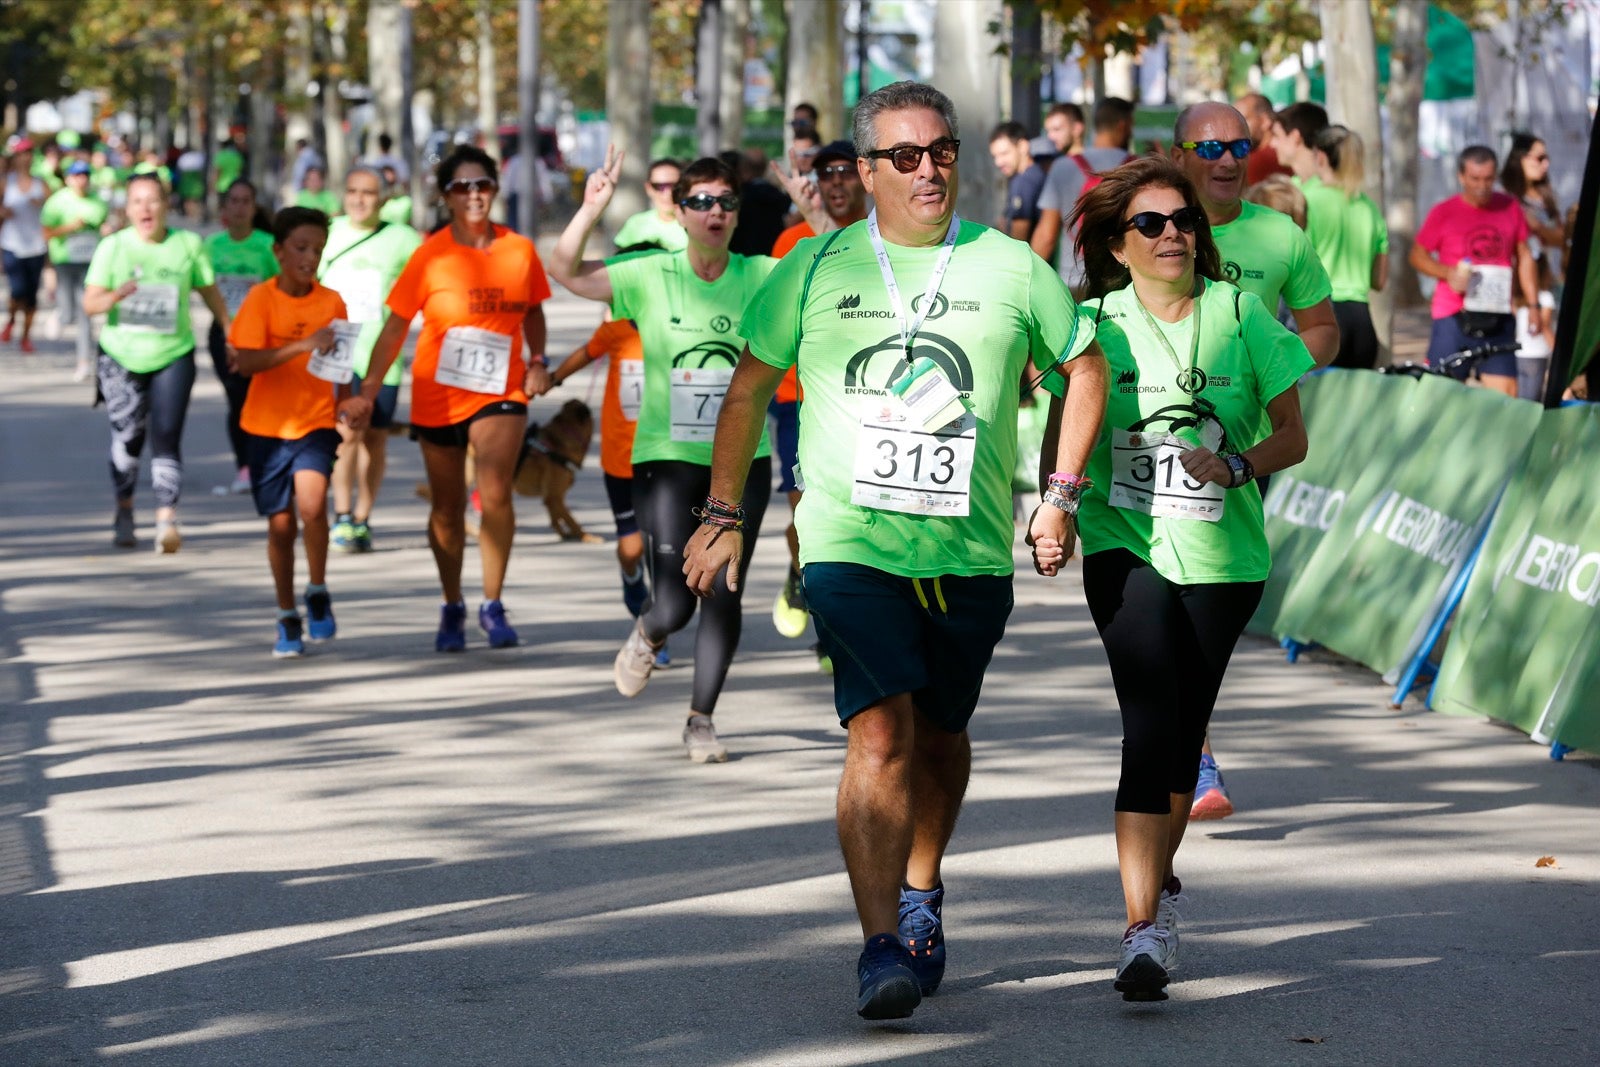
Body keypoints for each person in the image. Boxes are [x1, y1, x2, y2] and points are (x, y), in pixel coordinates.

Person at [681, 81, 1108, 1020]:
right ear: (865, 172)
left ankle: (922, 887)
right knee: (880, 731)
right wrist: (723, 510)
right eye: (905, 157)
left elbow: (1085, 364)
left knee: (943, 733)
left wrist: (1061, 494)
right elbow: (748, 388)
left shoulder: (1008, 265)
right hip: (848, 539)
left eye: (942, 151)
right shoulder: (815, 266)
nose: (929, 170)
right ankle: (880, 945)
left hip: (968, 545)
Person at [1050, 156, 1310, 1001]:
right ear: (1118, 246)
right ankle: (1140, 930)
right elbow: (1060, 421)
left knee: (1182, 727)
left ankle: (1157, 886)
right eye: (1151, 224)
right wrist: (1052, 506)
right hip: (1124, 542)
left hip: (1224, 557)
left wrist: (1236, 464)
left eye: (1183, 221)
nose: (1172, 235)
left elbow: (1292, 435)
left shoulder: (1241, 313)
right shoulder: (1090, 323)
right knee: (1150, 723)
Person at [551, 149, 778, 764]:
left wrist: (812, 209)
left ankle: (701, 720)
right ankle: (650, 630)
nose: (714, 212)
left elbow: (838, 274)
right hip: (667, 456)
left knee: (724, 591)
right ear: (679, 213)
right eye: (700, 202)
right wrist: (591, 207)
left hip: (743, 458)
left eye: (725, 202)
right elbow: (567, 271)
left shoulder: (762, 274)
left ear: (737, 214)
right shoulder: (650, 273)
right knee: (677, 599)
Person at [1168, 101, 1336, 818]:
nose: (1229, 159)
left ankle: (1184, 734)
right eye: (1210, 145)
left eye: (1240, 144)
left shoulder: (1281, 235)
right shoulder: (1151, 223)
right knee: (1162, 600)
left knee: (1204, 603)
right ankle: (1193, 752)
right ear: (1180, 155)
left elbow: (1324, 326)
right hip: (1149, 444)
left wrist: (1279, 368)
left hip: (1238, 453)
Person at [340, 145, 552, 651]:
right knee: (447, 508)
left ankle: (493, 604)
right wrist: (369, 389)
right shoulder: (430, 253)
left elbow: (534, 310)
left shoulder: (519, 250)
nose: (474, 195)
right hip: (440, 392)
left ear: (495, 189)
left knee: (495, 490)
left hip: (501, 390)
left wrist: (539, 359)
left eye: (482, 185)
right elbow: (395, 328)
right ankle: (452, 602)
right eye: (462, 187)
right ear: (446, 196)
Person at [82, 172, 230, 551]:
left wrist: (231, 332)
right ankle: (125, 508)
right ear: (127, 209)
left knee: (167, 434)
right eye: (137, 201)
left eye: (153, 200)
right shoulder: (113, 247)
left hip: (173, 354)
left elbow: (209, 291)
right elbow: (90, 304)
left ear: (166, 205)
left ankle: (167, 520)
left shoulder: (188, 243)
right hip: (120, 357)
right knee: (129, 439)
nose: (146, 208)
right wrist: (117, 294)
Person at [767, 139, 870, 667]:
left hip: (867, 403)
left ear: (866, 178)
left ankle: (838, 623)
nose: (834, 181)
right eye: (825, 172)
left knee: (854, 518)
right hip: (799, 401)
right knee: (806, 515)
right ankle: (807, 583)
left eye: (845, 171)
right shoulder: (791, 240)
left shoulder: (886, 240)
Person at [228, 207, 349, 656]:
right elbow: (246, 362)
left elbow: (341, 363)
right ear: (278, 251)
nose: (309, 257)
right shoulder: (261, 299)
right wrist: (300, 345)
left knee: (314, 507)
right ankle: (286, 613)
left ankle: (317, 589)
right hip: (265, 428)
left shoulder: (331, 301)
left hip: (316, 421)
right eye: (300, 248)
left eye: (317, 249)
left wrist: (350, 400)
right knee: (280, 527)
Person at [548, 246, 660, 630]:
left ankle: (654, 626)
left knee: (666, 548)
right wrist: (550, 379)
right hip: (621, 458)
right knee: (632, 548)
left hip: (670, 458)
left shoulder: (681, 331)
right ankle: (632, 579)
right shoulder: (616, 331)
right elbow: (583, 354)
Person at [320, 166, 423, 553]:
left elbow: (427, 282)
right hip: (337, 355)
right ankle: (342, 516)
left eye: (368, 192)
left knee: (375, 438)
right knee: (347, 435)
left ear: (383, 198)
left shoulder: (403, 238)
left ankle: (364, 516)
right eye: (352, 191)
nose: (359, 199)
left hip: (384, 355)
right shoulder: (330, 233)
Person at [1410, 145, 1540, 397]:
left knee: (1504, 402)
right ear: (1461, 176)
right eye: (1475, 179)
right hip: (1452, 314)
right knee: (1441, 397)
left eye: (1488, 179)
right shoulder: (1444, 212)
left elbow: (1525, 256)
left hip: (1498, 316)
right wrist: (1447, 273)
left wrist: (1533, 305)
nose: (1482, 186)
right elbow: (1417, 255)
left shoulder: (1510, 207)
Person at [203, 179, 279, 496]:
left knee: (262, 399)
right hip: (224, 335)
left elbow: (280, 288)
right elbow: (202, 287)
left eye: (246, 201)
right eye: (233, 201)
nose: (239, 207)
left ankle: (268, 463)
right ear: (225, 208)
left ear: (254, 207)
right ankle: (245, 467)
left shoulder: (267, 244)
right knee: (238, 401)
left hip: (262, 337)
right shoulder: (212, 246)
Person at [1294, 126, 1388, 369]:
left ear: (1321, 158)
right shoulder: (1369, 208)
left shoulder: (1304, 200)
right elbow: (1379, 280)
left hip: (1322, 320)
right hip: (1362, 325)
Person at [1030, 98, 1137, 294]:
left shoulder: (1064, 167)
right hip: (1127, 282)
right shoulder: (1138, 167)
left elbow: (1046, 236)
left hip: (1075, 280)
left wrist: (1027, 279)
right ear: (1124, 125)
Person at [40, 159, 110, 380]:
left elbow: (105, 227)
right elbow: (46, 233)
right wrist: (71, 227)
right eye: (77, 175)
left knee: (85, 312)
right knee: (70, 312)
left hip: (91, 263)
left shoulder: (98, 202)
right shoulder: (56, 202)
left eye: (85, 175)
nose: (82, 179)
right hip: (65, 261)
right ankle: (60, 315)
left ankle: (83, 362)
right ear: (68, 178)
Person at [1500, 132, 1564, 286]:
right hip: (1514, 283)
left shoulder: (1546, 196)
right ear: (1520, 158)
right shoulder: (1501, 196)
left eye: (1547, 158)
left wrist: (1537, 227)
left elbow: (1562, 239)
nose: (1545, 164)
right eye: (1540, 158)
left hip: (1547, 280)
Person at [1, 148, 49, 353]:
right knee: (17, 289)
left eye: (29, 154)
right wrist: (3, 212)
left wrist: (43, 205)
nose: (25, 158)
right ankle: (11, 320)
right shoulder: (6, 181)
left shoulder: (41, 184)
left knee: (31, 295)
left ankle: (26, 337)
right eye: (21, 154)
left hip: (36, 246)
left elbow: (53, 211)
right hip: (11, 244)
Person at [611, 158, 688, 253]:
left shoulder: (696, 225)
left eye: (674, 186)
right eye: (659, 186)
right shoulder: (636, 223)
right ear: (648, 188)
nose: (668, 193)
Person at [988, 121, 1046, 241]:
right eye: (995, 156)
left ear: (1023, 146)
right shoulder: (1035, 174)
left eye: (1004, 153)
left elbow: (1018, 239)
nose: (998, 162)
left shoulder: (1025, 181)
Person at [1235, 93, 1292, 186]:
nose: (1236, 127)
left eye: (1242, 120)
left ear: (1264, 121)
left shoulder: (1257, 163)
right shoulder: (1289, 152)